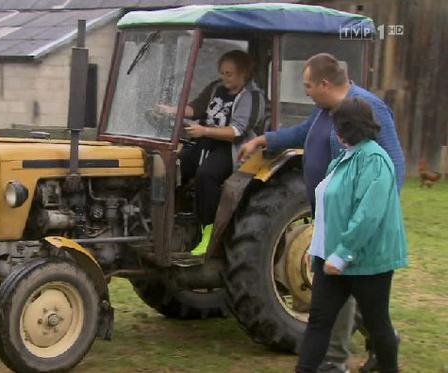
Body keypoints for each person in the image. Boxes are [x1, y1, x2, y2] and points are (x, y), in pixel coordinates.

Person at [238, 53, 405, 372]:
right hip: (331, 223)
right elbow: (303, 133)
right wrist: (265, 139)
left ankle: (342, 359)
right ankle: (357, 353)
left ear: (325, 84)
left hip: (358, 230)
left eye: (308, 85)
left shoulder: (365, 109)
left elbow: (394, 163)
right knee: (334, 307)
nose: (306, 91)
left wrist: (374, 217)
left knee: (364, 305)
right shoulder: (325, 111)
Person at [295, 97, 408, 373]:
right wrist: (315, 248)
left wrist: (343, 253)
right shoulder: (344, 158)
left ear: (348, 128)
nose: (334, 132)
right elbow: (329, 209)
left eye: (337, 126)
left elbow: (369, 214)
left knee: (377, 322)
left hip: (367, 262)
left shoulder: (375, 160)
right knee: (319, 321)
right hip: (330, 258)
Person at [158, 50, 265, 255]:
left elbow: (236, 131)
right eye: (222, 72)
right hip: (206, 142)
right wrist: (172, 110)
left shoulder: (252, 96)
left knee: (206, 176)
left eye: (229, 74)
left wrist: (204, 130)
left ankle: (209, 233)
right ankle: (173, 222)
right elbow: (195, 108)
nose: (224, 77)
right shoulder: (216, 87)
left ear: (243, 73)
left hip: (233, 148)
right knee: (172, 168)